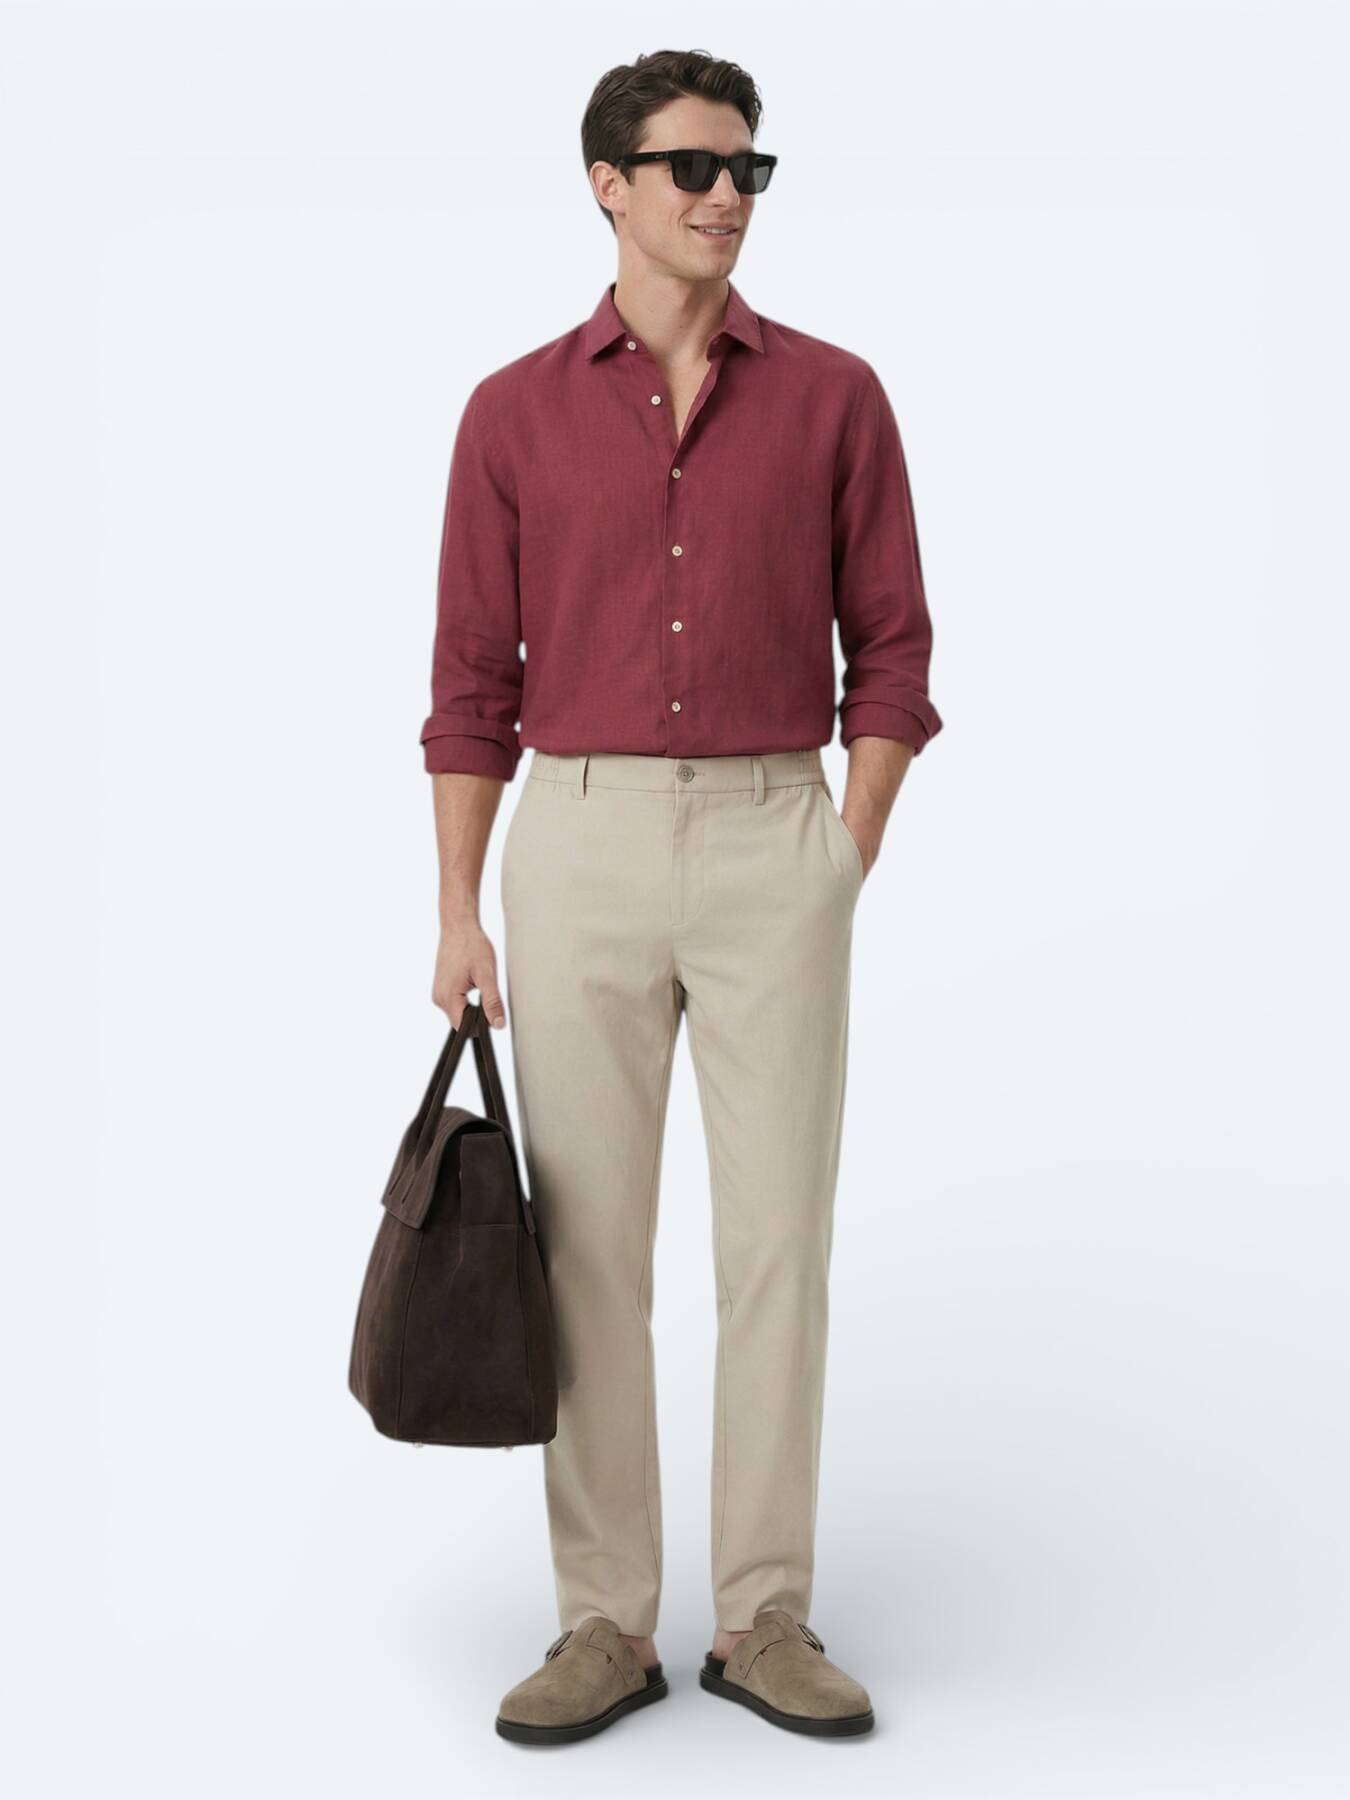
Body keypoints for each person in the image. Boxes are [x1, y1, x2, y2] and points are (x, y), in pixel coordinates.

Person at [421, 48, 942, 1744]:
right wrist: (458, 908)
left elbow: (894, 647)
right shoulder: (512, 411)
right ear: (608, 185)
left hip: (774, 833)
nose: (727, 195)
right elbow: (468, 681)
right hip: (572, 839)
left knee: (779, 1239)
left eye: (746, 169)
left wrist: (840, 846)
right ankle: (603, 1621)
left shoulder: (835, 396)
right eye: (693, 167)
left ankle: (766, 1615)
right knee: (585, 1248)